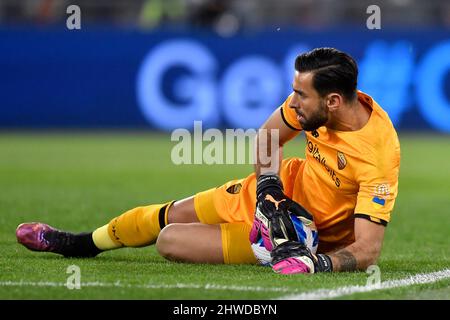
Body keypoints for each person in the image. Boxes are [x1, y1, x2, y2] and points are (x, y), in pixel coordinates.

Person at [16, 47, 400, 274]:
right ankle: (79, 244)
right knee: (165, 214)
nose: (293, 101)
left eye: (300, 93)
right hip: (271, 196)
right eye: (293, 91)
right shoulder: (313, 106)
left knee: (170, 241)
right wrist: (269, 191)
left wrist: (316, 262)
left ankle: (278, 243)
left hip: (294, 236)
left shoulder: (378, 154)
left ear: (332, 101)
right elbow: (268, 136)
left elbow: (367, 250)